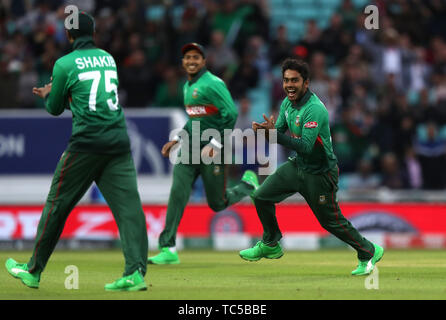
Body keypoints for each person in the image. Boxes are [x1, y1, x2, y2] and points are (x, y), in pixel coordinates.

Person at [5, 12, 148, 291]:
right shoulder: (108, 58)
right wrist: (71, 96)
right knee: (129, 210)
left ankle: (33, 270)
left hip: (87, 144)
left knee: (57, 205)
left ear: (68, 35)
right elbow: (96, 101)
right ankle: (135, 273)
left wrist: (50, 94)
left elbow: (55, 109)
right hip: (118, 140)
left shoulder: (64, 64)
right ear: (92, 33)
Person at [239, 58, 384, 276]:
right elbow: (279, 131)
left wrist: (275, 135)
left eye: (294, 80)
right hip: (298, 165)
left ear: (306, 83)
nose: (289, 84)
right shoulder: (287, 103)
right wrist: (266, 131)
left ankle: (369, 250)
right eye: (286, 80)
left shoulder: (314, 109)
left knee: (331, 222)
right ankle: (270, 243)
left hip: (320, 173)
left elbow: (306, 146)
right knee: (261, 196)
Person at [148, 43, 259, 265]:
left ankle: (247, 186)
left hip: (213, 151)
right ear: (183, 62)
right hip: (189, 149)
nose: (191, 61)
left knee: (217, 204)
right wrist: (177, 139)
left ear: (204, 61)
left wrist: (215, 144)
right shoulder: (187, 87)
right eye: (187, 57)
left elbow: (231, 113)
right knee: (178, 193)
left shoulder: (213, 84)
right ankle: (168, 248)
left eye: (196, 57)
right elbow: (194, 119)